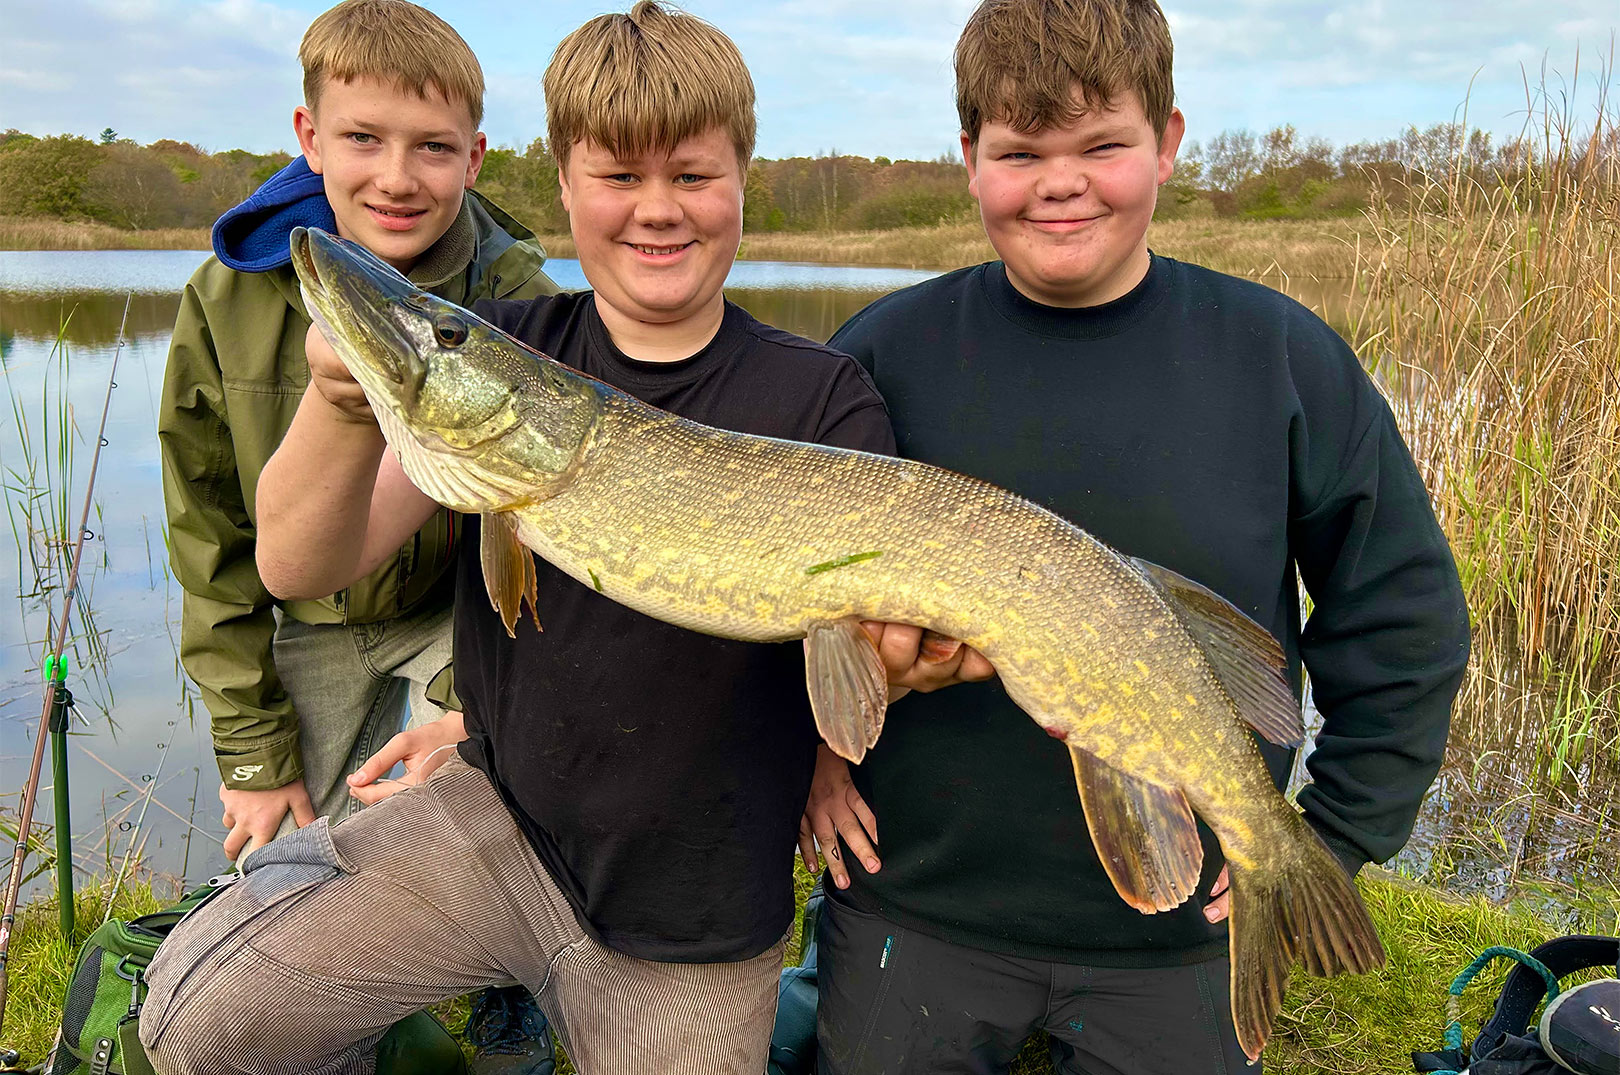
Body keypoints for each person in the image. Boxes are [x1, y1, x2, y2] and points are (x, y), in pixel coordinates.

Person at [138, 4, 895, 1074]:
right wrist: (346, 405)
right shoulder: (511, 348)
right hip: (497, 826)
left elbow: (869, 641)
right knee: (195, 1018)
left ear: (743, 176)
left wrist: (840, 737)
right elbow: (300, 565)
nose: (656, 211)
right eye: (618, 177)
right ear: (564, 181)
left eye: (691, 175)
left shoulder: (824, 398)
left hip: (695, 904)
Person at [799, 0, 1472, 1071]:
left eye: (1102, 145)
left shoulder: (1282, 358)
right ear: (970, 159)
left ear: (1167, 142)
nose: (1060, 183)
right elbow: (793, 584)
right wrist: (816, 761)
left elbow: (1404, 619)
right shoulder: (883, 352)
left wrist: (1336, 834)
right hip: (919, 899)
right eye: (1021, 152)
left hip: (1175, 938)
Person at [155, 0, 559, 1068]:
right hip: (306, 619)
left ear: (475, 157)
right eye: (363, 140)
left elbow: (553, 543)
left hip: (456, 612)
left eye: (432, 148)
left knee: (494, 795)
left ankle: (506, 975)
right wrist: (250, 749)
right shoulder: (222, 297)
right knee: (290, 865)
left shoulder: (522, 297)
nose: (397, 176)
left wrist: (480, 709)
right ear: (307, 137)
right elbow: (207, 539)